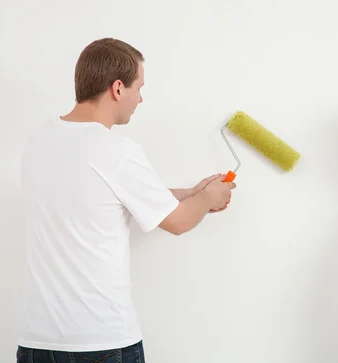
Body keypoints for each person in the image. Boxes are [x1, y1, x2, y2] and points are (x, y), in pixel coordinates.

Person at [15, 38, 236, 363]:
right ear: (118, 88)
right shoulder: (115, 151)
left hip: (36, 343)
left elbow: (101, 197)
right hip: (101, 344)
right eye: (139, 87)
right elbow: (178, 221)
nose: (141, 98)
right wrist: (208, 198)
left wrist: (192, 194)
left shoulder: (39, 140)